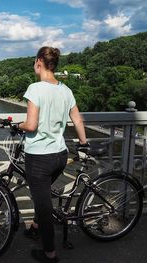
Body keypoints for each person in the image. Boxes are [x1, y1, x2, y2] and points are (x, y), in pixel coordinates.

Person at [17, 46, 87, 263]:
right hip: (60, 156)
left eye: (34, 62)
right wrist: (84, 143)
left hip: (39, 157)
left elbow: (31, 124)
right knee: (43, 196)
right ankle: (35, 228)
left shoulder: (35, 88)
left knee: (43, 206)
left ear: (39, 61)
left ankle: (50, 253)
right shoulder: (66, 90)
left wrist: (18, 125)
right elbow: (77, 120)